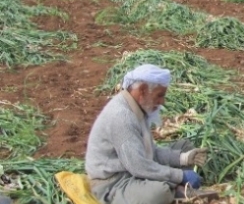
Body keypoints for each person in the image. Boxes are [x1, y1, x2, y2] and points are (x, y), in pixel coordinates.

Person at [85, 64, 207, 204]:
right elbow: (139, 166)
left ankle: (175, 186)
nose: (162, 102)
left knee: (185, 146)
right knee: (160, 193)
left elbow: (150, 152)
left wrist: (184, 158)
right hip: (115, 182)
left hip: (134, 168)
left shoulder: (137, 108)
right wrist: (180, 176)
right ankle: (175, 189)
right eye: (159, 95)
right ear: (142, 90)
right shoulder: (122, 117)